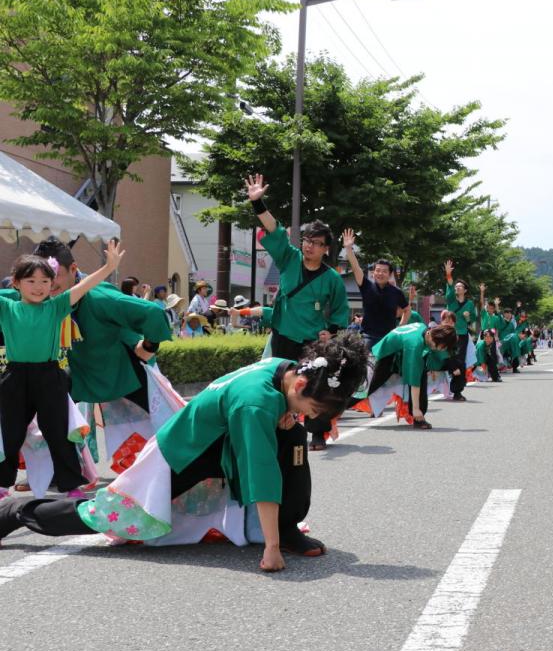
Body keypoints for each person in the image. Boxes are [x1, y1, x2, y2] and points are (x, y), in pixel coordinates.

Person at [0, 333, 369, 571]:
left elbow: (273, 427)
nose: (310, 416)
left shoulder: (282, 371)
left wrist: (289, 413)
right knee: (103, 514)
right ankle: (16, 512)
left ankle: (285, 527)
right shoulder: (255, 404)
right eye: (313, 409)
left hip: (210, 453)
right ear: (302, 383)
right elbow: (260, 471)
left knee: (292, 438)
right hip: (176, 460)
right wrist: (270, 550)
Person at [0, 239, 125, 499]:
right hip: (15, 377)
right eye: (30, 281)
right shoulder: (7, 308)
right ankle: (2, 486)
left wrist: (109, 267)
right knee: (9, 433)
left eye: (45, 281)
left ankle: (70, 487)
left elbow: (85, 285)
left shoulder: (56, 306)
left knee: (59, 433)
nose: (38, 287)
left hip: (49, 376)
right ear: (16, 283)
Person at [246, 173, 349, 454]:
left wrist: (333, 333)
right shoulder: (289, 258)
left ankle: (317, 433)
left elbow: (340, 312)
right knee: (280, 383)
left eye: (315, 243)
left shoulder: (332, 279)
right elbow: (274, 230)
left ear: (326, 249)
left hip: (311, 341)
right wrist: (258, 203)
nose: (308, 245)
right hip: (282, 334)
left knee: (314, 386)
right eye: (305, 240)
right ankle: (281, 428)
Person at [362, 321, 456, 428]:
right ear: (436, 340)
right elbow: (414, 379)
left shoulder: (425, 330)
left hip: (398, 353)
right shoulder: (415, 345)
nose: (442, 350)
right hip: (384, 356)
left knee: (422, 376)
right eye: (443, 347)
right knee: (366, 388)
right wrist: (416, 409)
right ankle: (340, 406)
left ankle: (419, 419)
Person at [340, 229, 408, 349]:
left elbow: (407, 310)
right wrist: (349, 249)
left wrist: (400, 326)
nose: (380, 273)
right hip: (368, 337)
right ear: (373, 273)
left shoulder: (397, 292)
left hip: (389, 337)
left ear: (390, 274)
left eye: (384, 271)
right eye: (378, 270)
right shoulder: (366, 285)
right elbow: (356, 268)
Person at [443, 260, 476, 401]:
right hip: (449, 333)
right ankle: (444, 384)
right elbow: (449, 289)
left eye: (460, 286)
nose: (457, 288)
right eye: (456, 287)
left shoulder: (469, 304)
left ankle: (457, 391)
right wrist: (449, 274)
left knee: (460, 362)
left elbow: (472, 319)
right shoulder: (451, 301)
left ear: (465, 290)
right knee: (450, 359)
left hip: (462, 334)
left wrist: (468, 318)